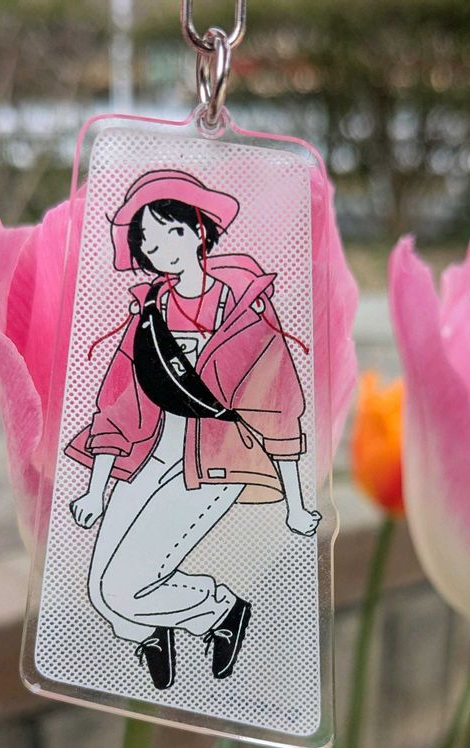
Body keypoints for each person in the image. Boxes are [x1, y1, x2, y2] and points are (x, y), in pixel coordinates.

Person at [66, 168, 319, 690]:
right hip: (151, 456)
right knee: (100, 594)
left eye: (173, 233)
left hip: (215, 465)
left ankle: (221, 608)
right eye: (148, 240)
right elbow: (120, 404)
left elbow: (278, 406)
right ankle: (152, 632)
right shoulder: (148, 314)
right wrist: (95, 488)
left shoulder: (245, 313)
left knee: (122, 587)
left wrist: (296, 504)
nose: (160, 248)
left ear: (200, 231)